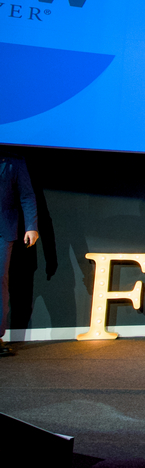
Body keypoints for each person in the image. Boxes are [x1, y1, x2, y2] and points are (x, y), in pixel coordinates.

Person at [0, 152, 39, 357]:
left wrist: (31, 226)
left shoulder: (14, 162)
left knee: (0, 282)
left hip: (3, 231)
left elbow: (27, 195)